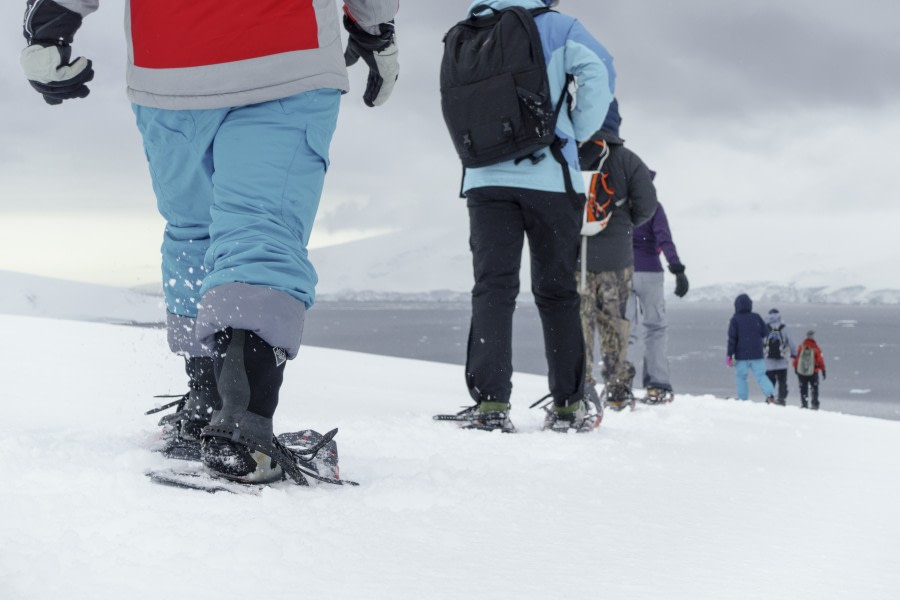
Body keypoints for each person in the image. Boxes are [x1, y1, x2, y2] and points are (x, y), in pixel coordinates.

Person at [20, 0, 400, 483]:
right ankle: (242, 425)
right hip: (287, 52)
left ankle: (205, 406)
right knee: (261, 229)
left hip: (168, 67)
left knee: (192, 230)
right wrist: (375, 27)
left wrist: (50, 27)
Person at [445, 0, 615, 433]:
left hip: (485, 180)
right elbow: (601, 67)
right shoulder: (557, 26)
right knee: (557, 292)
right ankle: (568, 405)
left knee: (493, 290)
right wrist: (576, 132)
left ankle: (491, 405)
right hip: (551, 178)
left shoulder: (471, 28)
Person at [576, 100, 658, 411]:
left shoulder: (568, 157)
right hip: (616, 260)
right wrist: (623, 224)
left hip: (575, 261)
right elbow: (647, 206)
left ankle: (578, 388)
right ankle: (618, 389)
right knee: (615, 325)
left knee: (578, 326)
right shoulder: (628, 160)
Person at [625, 201, 688, 404]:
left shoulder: (616, 202)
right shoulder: (652, 206)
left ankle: (619, 385)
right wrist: (677, 268)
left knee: (624, 330)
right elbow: (664, 238)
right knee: (655, 329)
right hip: (650, 271)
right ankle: (657, 385)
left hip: (620, 271)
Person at [726, 294, 777, 403]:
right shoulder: (756, 317)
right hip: (757, 354)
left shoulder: (735, 320)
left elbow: (732, 339)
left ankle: (743, 399)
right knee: (761, 376)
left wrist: (729, 355)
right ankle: (771, 394)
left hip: (741, 356)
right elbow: (765, 333)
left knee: (741, 377)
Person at [763, 308, 797, 406]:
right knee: (782, 382)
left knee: (770, 382)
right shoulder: (784, 328)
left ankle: (770, 399)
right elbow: (792, 343)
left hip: (769, 362)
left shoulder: (765, 328)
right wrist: (793, 355)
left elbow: (759, 343)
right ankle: (781, 399)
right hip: (782, 362)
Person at [794, 330, 826, 410]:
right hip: (813, 372)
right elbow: (820, 360)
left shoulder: (801, 347)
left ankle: (804, 404)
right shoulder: (815, 348)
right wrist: (823, 370)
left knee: (803, 389)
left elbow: (796, 359)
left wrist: (796, 368)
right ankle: (814, 404)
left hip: (801, 372)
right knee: (814, 388)